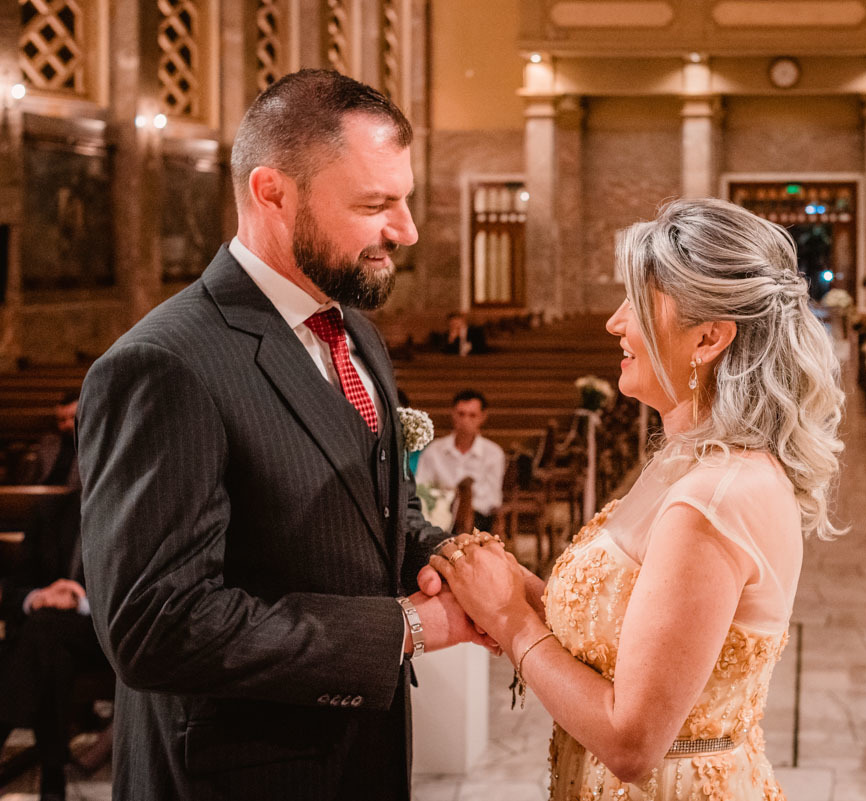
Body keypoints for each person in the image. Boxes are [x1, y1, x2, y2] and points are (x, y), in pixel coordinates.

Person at [75, 70, 493, 801]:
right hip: (236, 775)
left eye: (405, 199)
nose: (406, 230)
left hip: (360, 758)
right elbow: (155, 626)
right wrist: (406, 628)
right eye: (375, 204)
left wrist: (454, 562)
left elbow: (376, 509)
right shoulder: (165, 363)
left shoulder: (353, 332)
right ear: (273, 193)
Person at [424, 198, 844, 799]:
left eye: (637, 303)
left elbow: (631, 743)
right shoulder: (684, 459)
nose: (615, 323)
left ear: (709, 338)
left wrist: (510, 622)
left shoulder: (715, 498)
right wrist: (517, 588)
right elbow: (630, 631)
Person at [0, 490, 106, 801]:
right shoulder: (50, 512)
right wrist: (39, 597)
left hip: (101, 635)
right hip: (48, 640)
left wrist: (80, 601)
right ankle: (52, 775)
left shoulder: (130, 511)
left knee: (43, 631)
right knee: (53, 654)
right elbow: (16, 586)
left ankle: (4, 727)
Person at [415, 390, 505, 532]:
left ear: (482, 417)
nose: (466, 421)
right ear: (453, 414)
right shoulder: (434, 451)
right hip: (438, 519)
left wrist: (463, 506)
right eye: (461, 414)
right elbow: (421, 488)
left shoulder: (493, 453)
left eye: (472, 415)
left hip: (478, 521)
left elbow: (492, 498)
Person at [24, 391, 80, 487]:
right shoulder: (49, 442)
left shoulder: (96, 446)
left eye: (73, 418)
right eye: (62, 420)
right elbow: (31, 479)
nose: (68, 424)